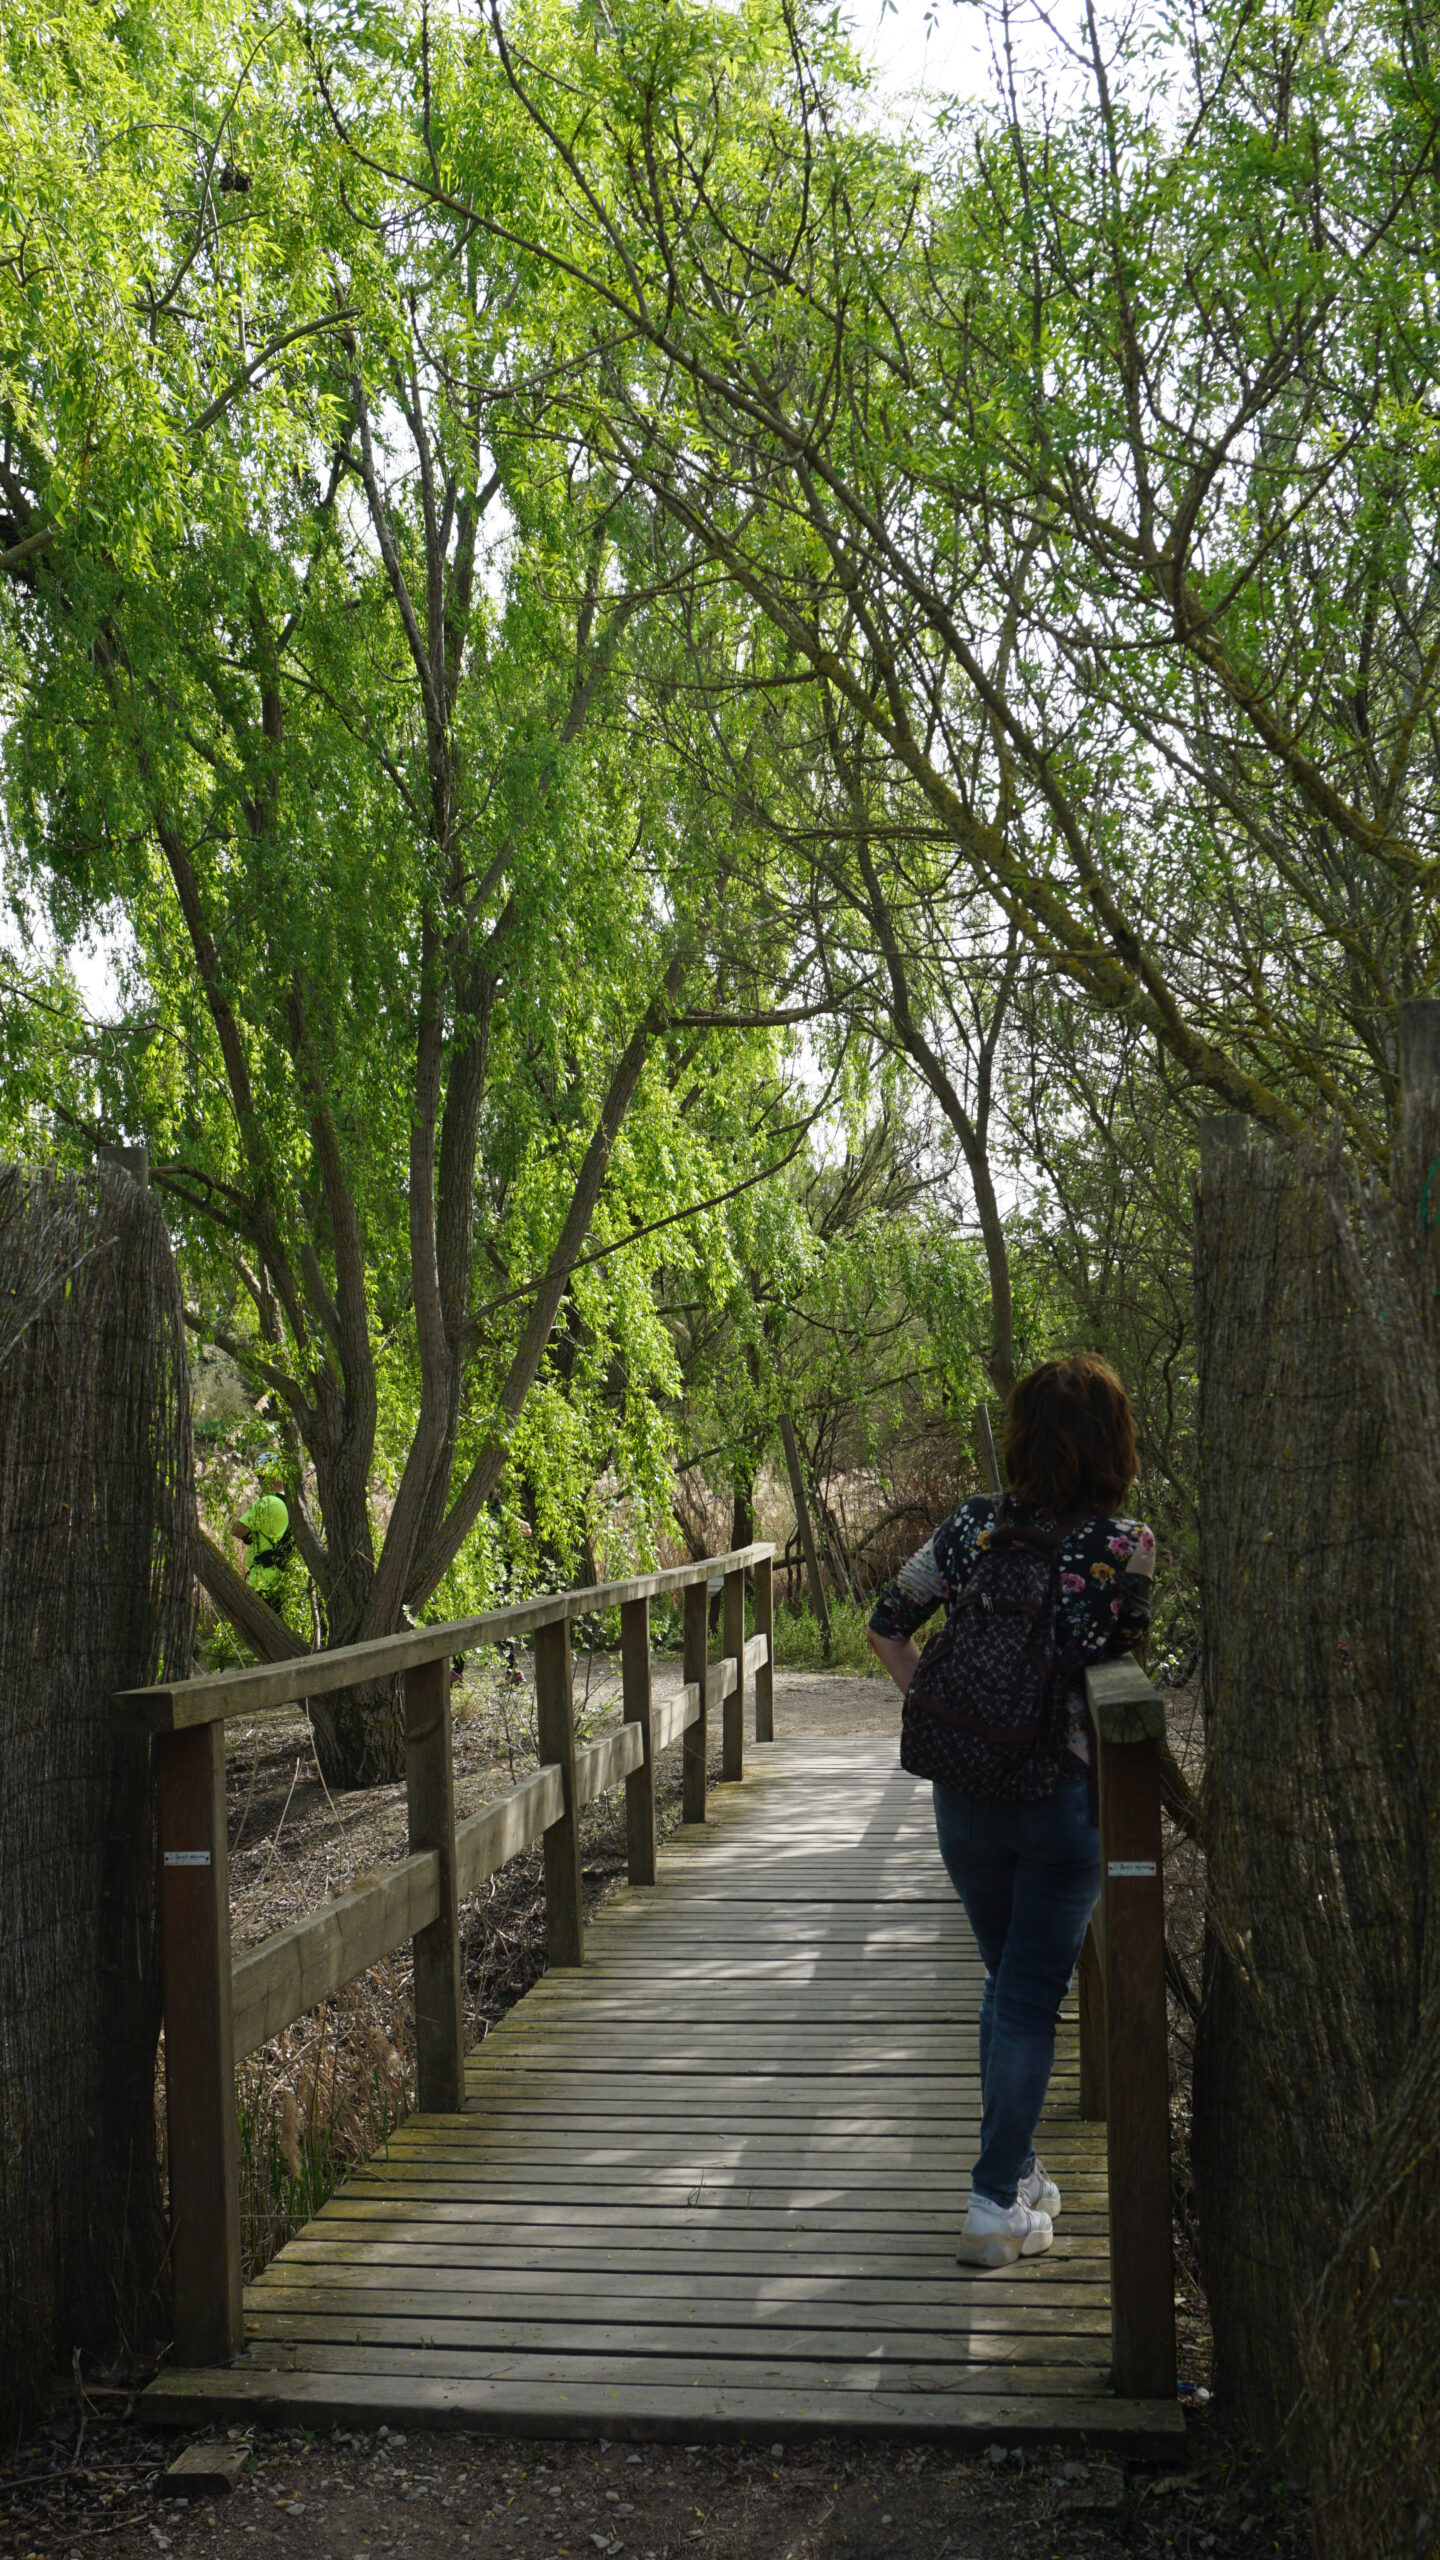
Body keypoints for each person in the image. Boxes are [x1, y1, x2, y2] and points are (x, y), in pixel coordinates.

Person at [867, 1354, 1155, 2268]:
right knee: (1028, 1994)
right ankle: (993, 2201)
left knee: (1007, 1986)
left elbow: (887, 1623)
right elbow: (1119, 1657)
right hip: (1062, 1801)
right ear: (1113, 1443)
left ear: (1023, 1435)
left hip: (966, 1799)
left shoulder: (970, 1527)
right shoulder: (1126, 1546)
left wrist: (942, 1713)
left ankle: (1020, 2173)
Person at [230, 1459, 292, 1603]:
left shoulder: (267, 1502)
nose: (259, 1482)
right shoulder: (293, 1503)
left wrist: (250, 1536)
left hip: (262, 1580)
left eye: (261, 1476)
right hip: (286, 1582)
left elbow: (237, 1529)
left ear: (273, 1475)